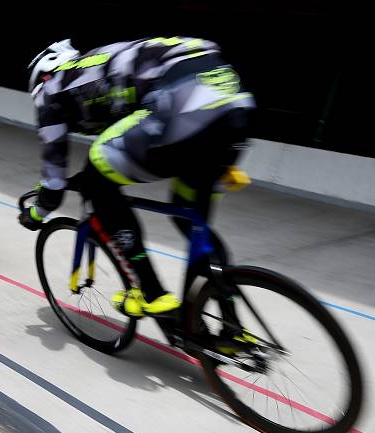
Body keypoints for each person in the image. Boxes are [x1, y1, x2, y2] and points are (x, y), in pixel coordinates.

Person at [19, 37, 255, 317]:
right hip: (234, 103)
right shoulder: (98, 60)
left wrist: (36, 213)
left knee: (97, 180)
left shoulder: (53, 87)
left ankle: (150, 292)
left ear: (43, 75)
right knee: (190, 218)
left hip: (183, 102)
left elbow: (54, 178)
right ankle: (224, 328)